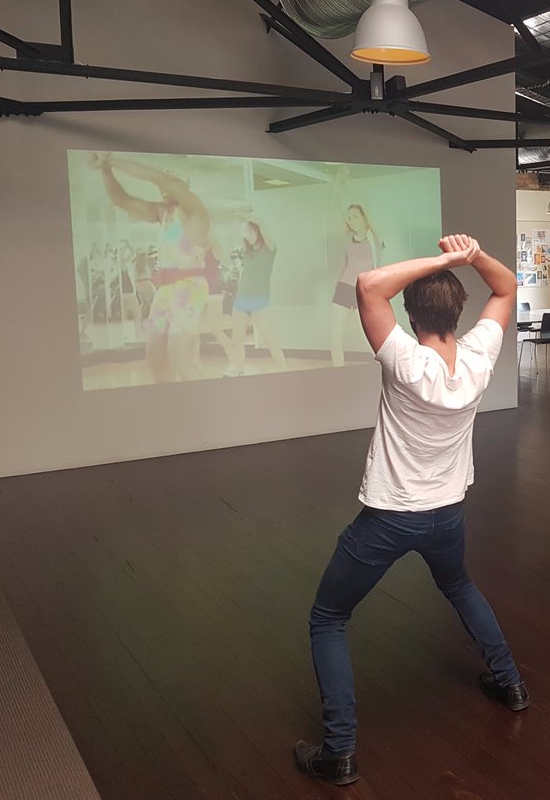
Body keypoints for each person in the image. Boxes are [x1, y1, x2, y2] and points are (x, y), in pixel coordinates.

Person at [295, 234, 527, 788]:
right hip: (448, 513)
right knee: (459, 585)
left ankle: (340, 751)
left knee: (328, 618)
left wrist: (445, 259)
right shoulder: (478, 355)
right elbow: (506, 287)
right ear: (459, 311)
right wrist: (472, 257)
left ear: (411, 314)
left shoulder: (404, 357)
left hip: (390, 517)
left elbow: (368, 284)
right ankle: (511, 683)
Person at [89, 152, 211, 383]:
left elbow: (159, 178)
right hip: (166, 291)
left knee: (179, 354)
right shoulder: (163, 213)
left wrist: (109, 159)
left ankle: (198, 400)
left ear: (185, 184)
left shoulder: (194, 207)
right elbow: (120, 200)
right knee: (154, 353)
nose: (165, 184)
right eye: (167, 179)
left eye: (173, 179)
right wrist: (105, 170)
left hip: (189, 290)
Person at [330, 202, 384, 367]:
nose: (351, 221)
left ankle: (383, 368)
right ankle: (337, 369)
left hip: (362, 290)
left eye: (355, 216)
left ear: (364, 217)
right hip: (344, 288)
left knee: (369, 335)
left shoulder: (374, 239)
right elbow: (345, 265)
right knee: (335, 334)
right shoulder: (348, 240)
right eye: (349, 218)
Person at [229, 220, 287, 374]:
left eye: (250, 231)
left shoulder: (269, 249)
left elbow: (262, 224)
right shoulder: (246, 251)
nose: (248, 236)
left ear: (257, 230)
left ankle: (284, 370)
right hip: (241, 299)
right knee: (236, 340)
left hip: (259, 301)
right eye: (245, 233)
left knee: (269, 338)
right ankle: (238, 369)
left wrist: (247, 215)